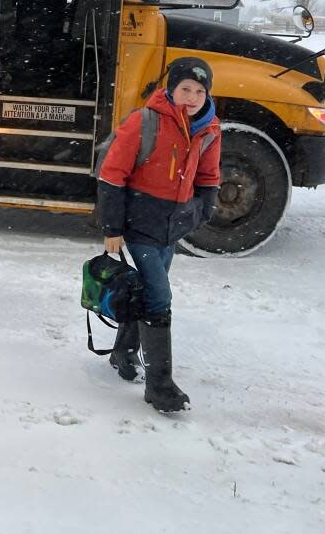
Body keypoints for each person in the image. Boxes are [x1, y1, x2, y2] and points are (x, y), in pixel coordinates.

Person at [96, 56, 221, 413]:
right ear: (171, 88)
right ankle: (160, 385)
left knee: (145, 294)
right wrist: (112, 228)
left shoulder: (210, 128)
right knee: (159, 296)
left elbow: (209, 177)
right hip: (139, 224)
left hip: (172, 228)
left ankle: (122, 353)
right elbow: (112, 174)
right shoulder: (144, 121)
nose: (193, 96)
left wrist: (201, 212)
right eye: (185, 89)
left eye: (200, 90)